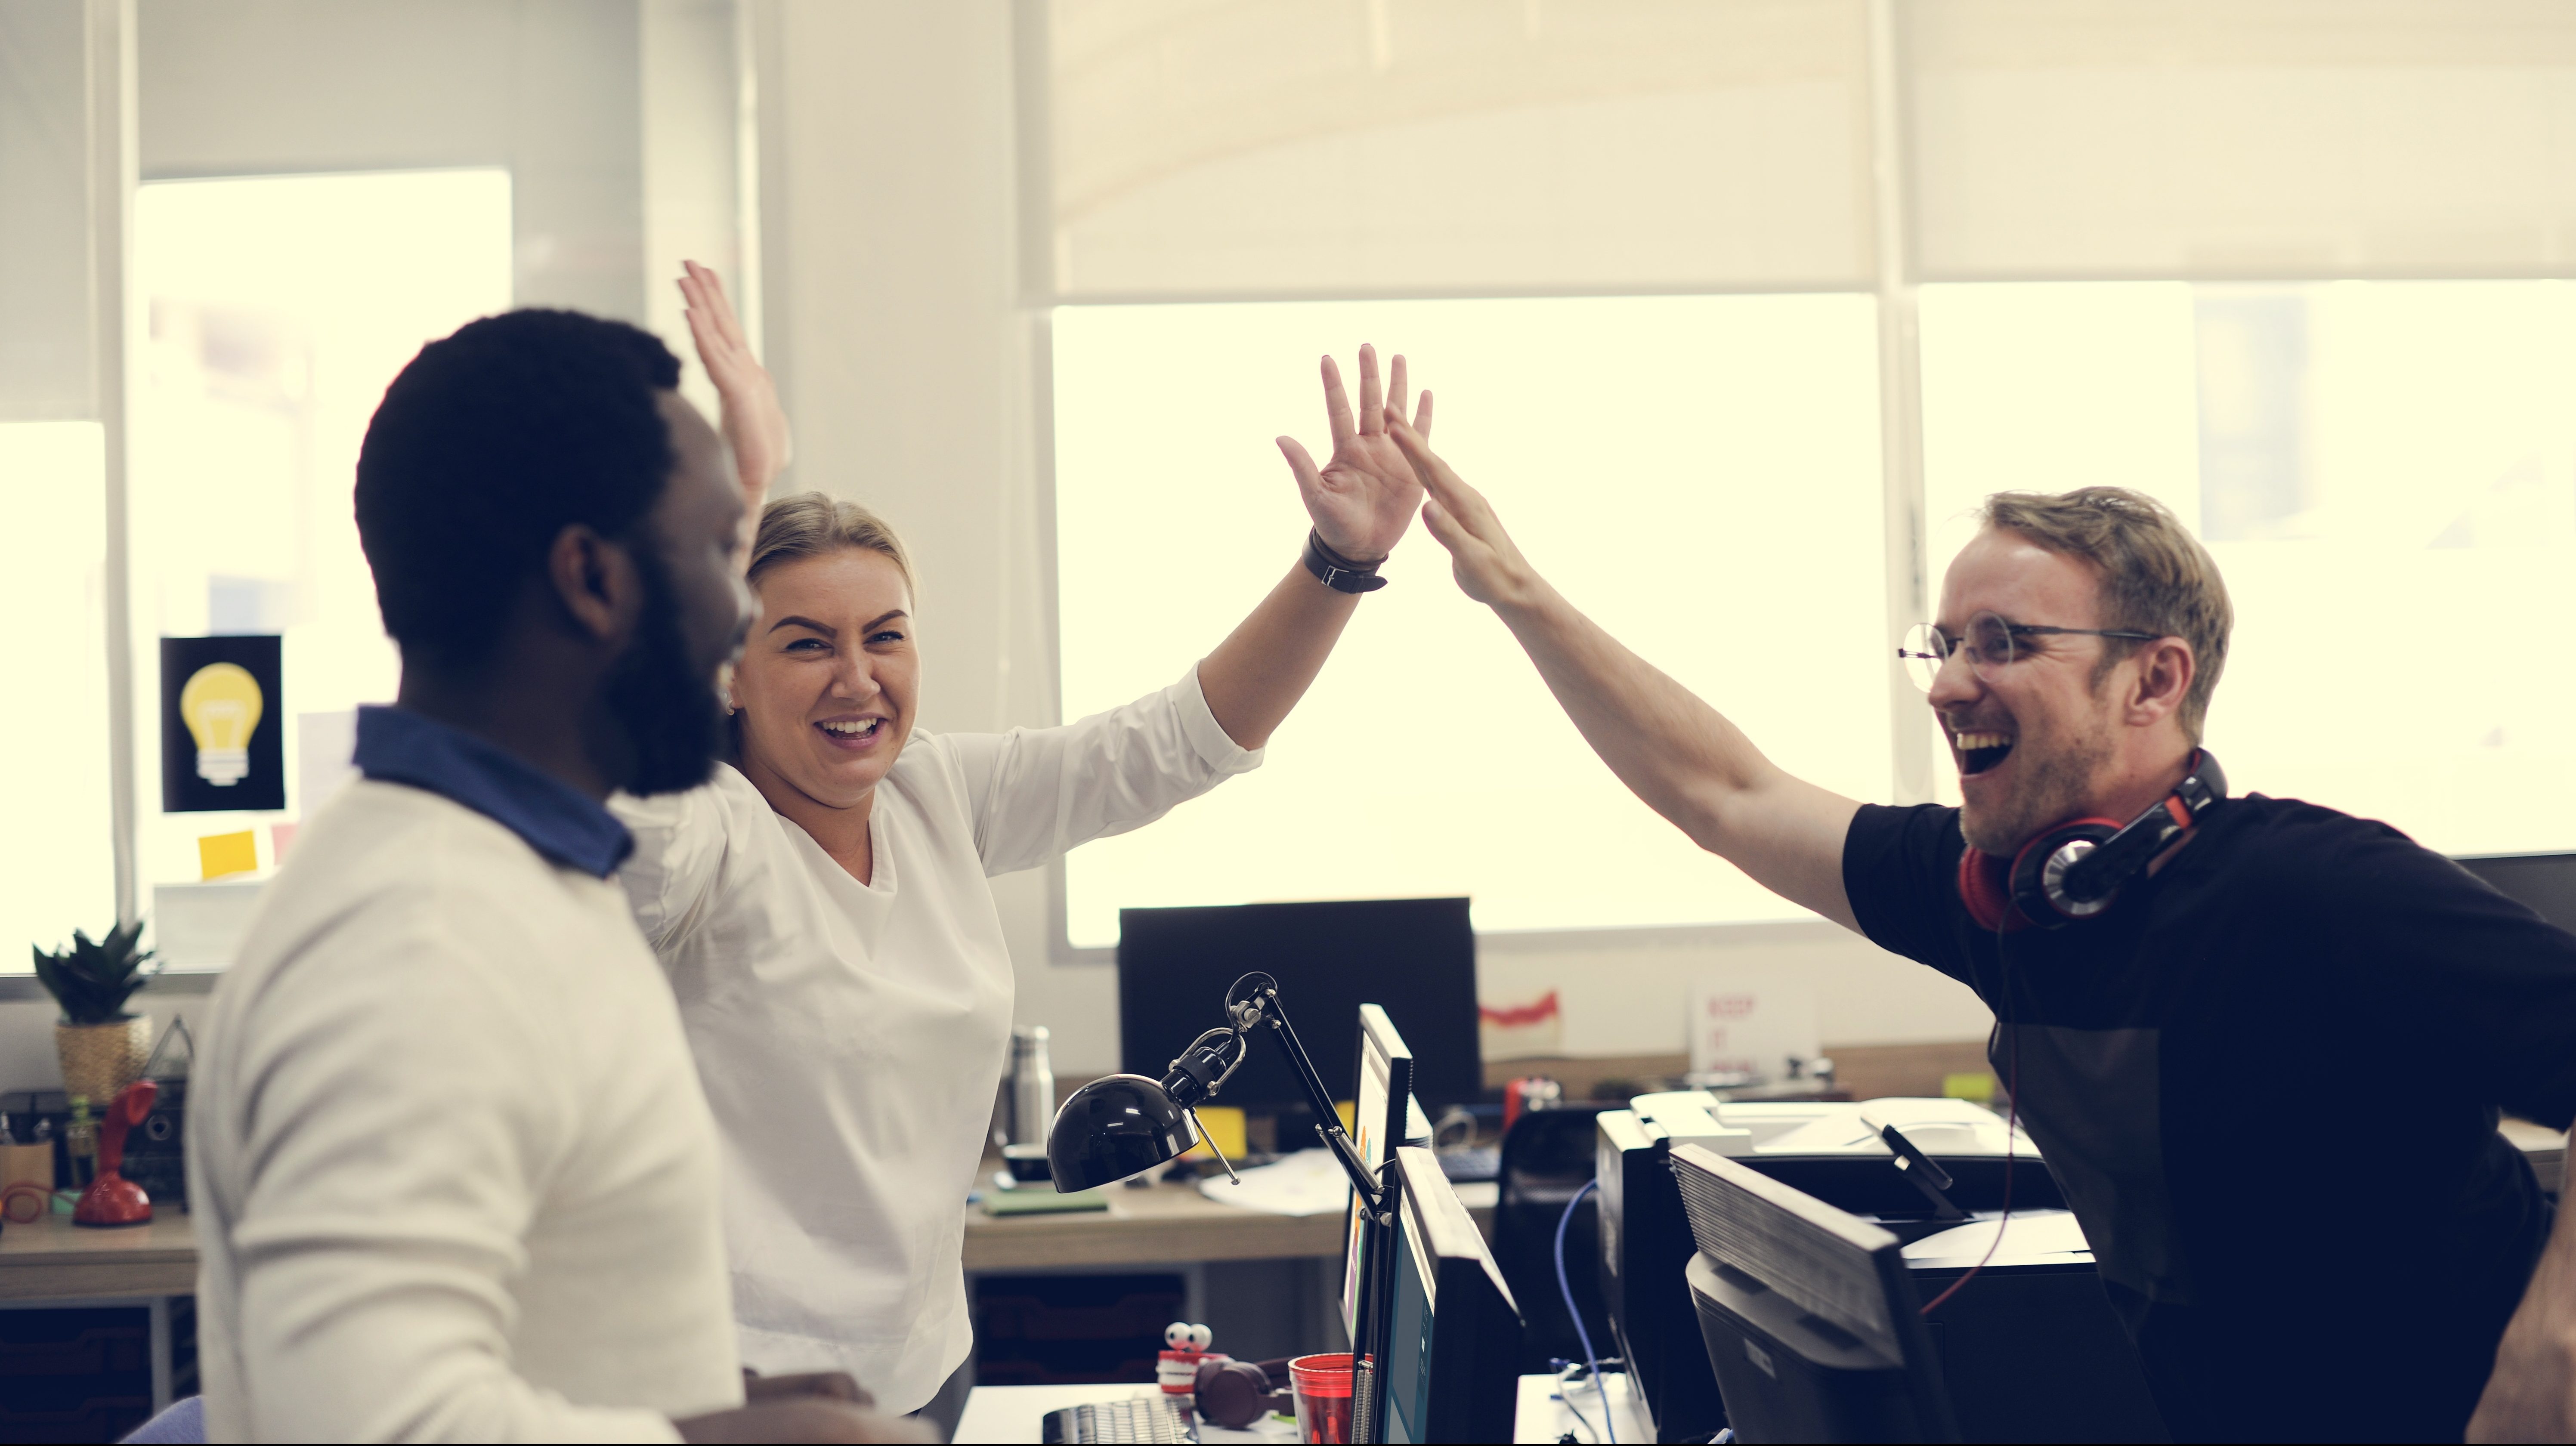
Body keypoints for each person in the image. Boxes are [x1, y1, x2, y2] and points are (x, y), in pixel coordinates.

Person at [1383, 413, 2576, 1443]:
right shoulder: (2006, 890)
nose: (1951, 681)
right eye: (1946, 644)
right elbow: (1725, 795)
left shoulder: (2315, 890)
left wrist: (2549, 1345)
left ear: (2153, 681)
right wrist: (1521, 599)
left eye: (2004, 643)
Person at [601, 265, 1436, 1414]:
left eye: (884, 637)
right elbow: (631, 849)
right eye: (804, 644)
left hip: (926, 1361)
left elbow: (1168, 745)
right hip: (749, 1394)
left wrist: (1337, 567)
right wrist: (744, 487)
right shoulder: (705, 832)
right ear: (730, 669)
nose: (857, 678)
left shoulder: (932, 791)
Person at [188, 309, 923, 1443]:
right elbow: (367, 1426)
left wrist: (702, 1401)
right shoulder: (424, 941)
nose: (742, 622)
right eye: (717, 555)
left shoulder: (522, 877)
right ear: (591, 579)